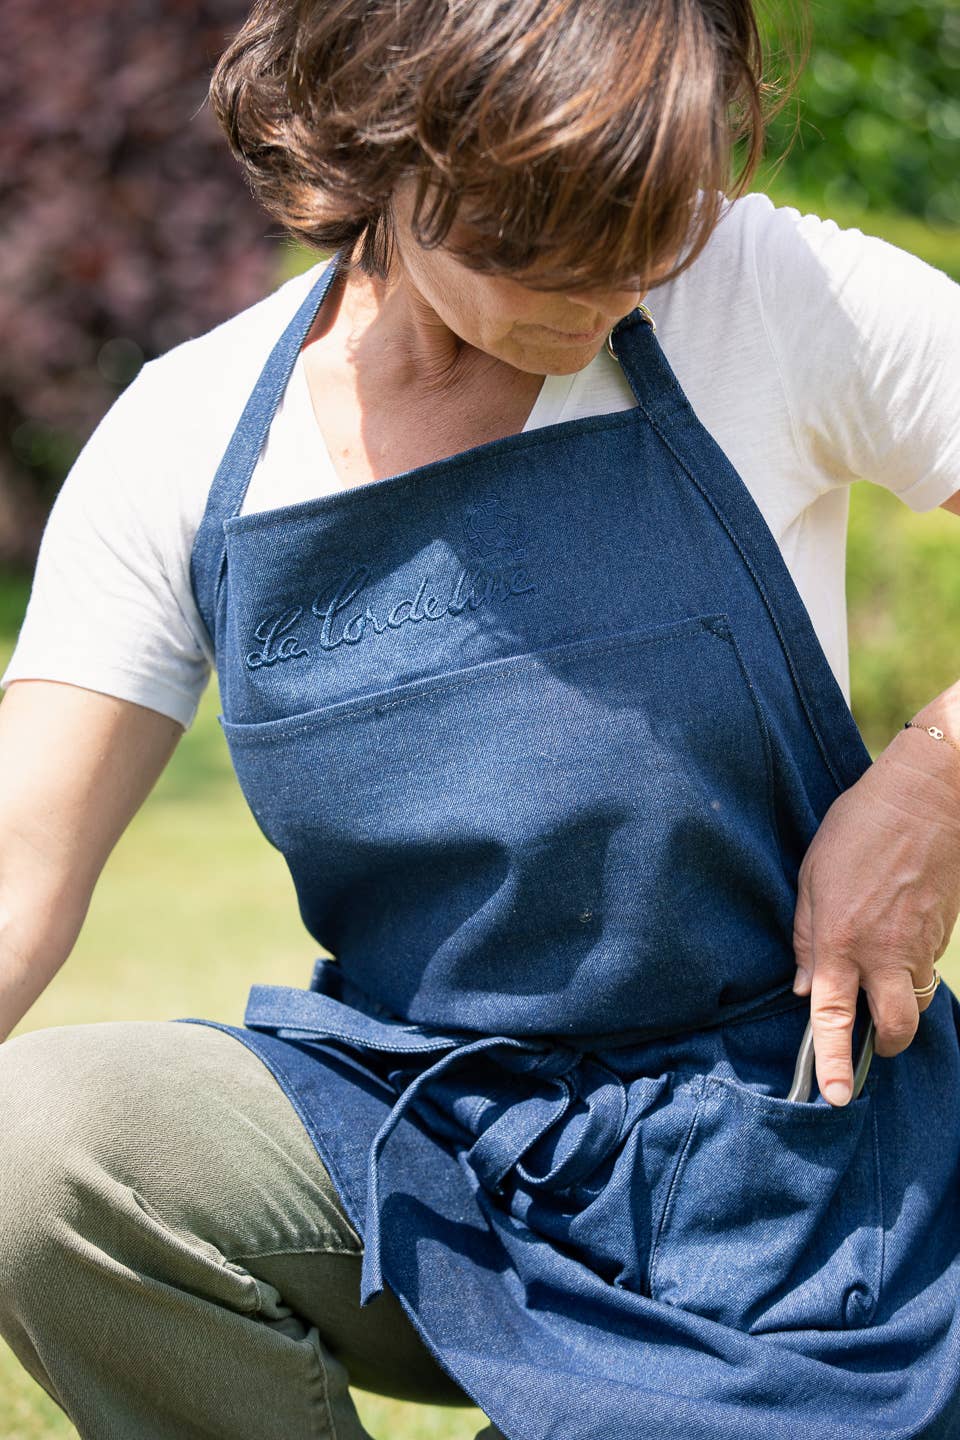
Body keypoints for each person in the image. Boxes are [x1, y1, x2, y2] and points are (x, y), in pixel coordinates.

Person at [1, 0, 960, 1435]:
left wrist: (935, 778)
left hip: (783, 1179)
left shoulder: (762, 288)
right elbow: (20, 862)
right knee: (40, 1155)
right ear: (386, 145)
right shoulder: (190, 436)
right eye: (537, 259)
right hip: (429, 1151)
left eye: (645, 245)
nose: (607, 301)